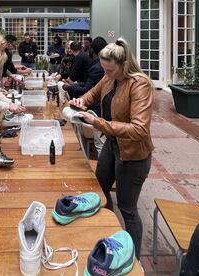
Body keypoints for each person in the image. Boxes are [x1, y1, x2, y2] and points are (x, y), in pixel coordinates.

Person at [71, 38, 154, 259]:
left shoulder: (139, 84)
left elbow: (140, 130)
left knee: (128, 208)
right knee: (100, 188)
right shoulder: (109, 79)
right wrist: (81, 102)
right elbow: (93, 94)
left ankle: (134, 259)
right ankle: (108, 233)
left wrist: (97, 122)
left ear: (124, 65)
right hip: (113, 144)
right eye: (104, 69)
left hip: (133, 155)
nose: (105, 74)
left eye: (109, 70)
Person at [63, 36, 108, 116]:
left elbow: (87, 89)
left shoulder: (97, 67)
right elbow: (89, 84)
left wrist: (70, 87)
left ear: (92, 50)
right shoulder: (98, 64)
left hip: (95, 108)